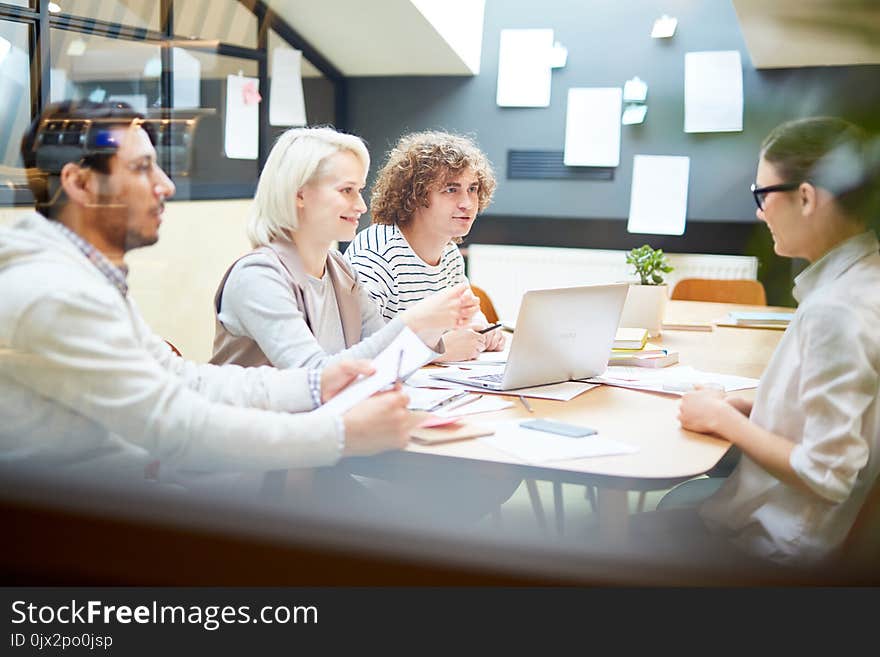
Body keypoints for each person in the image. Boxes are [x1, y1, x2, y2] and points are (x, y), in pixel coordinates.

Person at [0, 101, 419, 497]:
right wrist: (340, 435)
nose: (165, 185)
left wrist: (316, 384)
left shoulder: (83, 277)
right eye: (143, 168)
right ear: (80, 183)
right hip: (86, 530)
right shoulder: (53, 294)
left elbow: (185, 378)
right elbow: (175, 424)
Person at [634, 116, 880, 567]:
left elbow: (826, 473)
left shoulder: (835, 311)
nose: (759, 212)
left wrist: (724, 421)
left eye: (762, 195)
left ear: (805, 197)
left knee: (620, 539)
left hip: (779, 542)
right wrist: (752, 406)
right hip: (799, 524)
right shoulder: (864, 277)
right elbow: (841, 413)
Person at [210, 126, 479, 371]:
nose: (361, 206)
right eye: (347, 190)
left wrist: (431, 326)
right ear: (299, 194)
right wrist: (417, 322)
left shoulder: (340, 270)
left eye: (359, 190)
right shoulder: (257, 276)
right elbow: (313, 376)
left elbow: (382, 359)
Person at [344, 130, 506, 362]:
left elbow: (468, 316)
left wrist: (483, 330)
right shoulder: (377, 252)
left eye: (472, 189)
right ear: (415, 196)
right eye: (451, 190)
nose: (467, 203)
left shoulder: (449, 253)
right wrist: (436, 353)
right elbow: (358, 347)